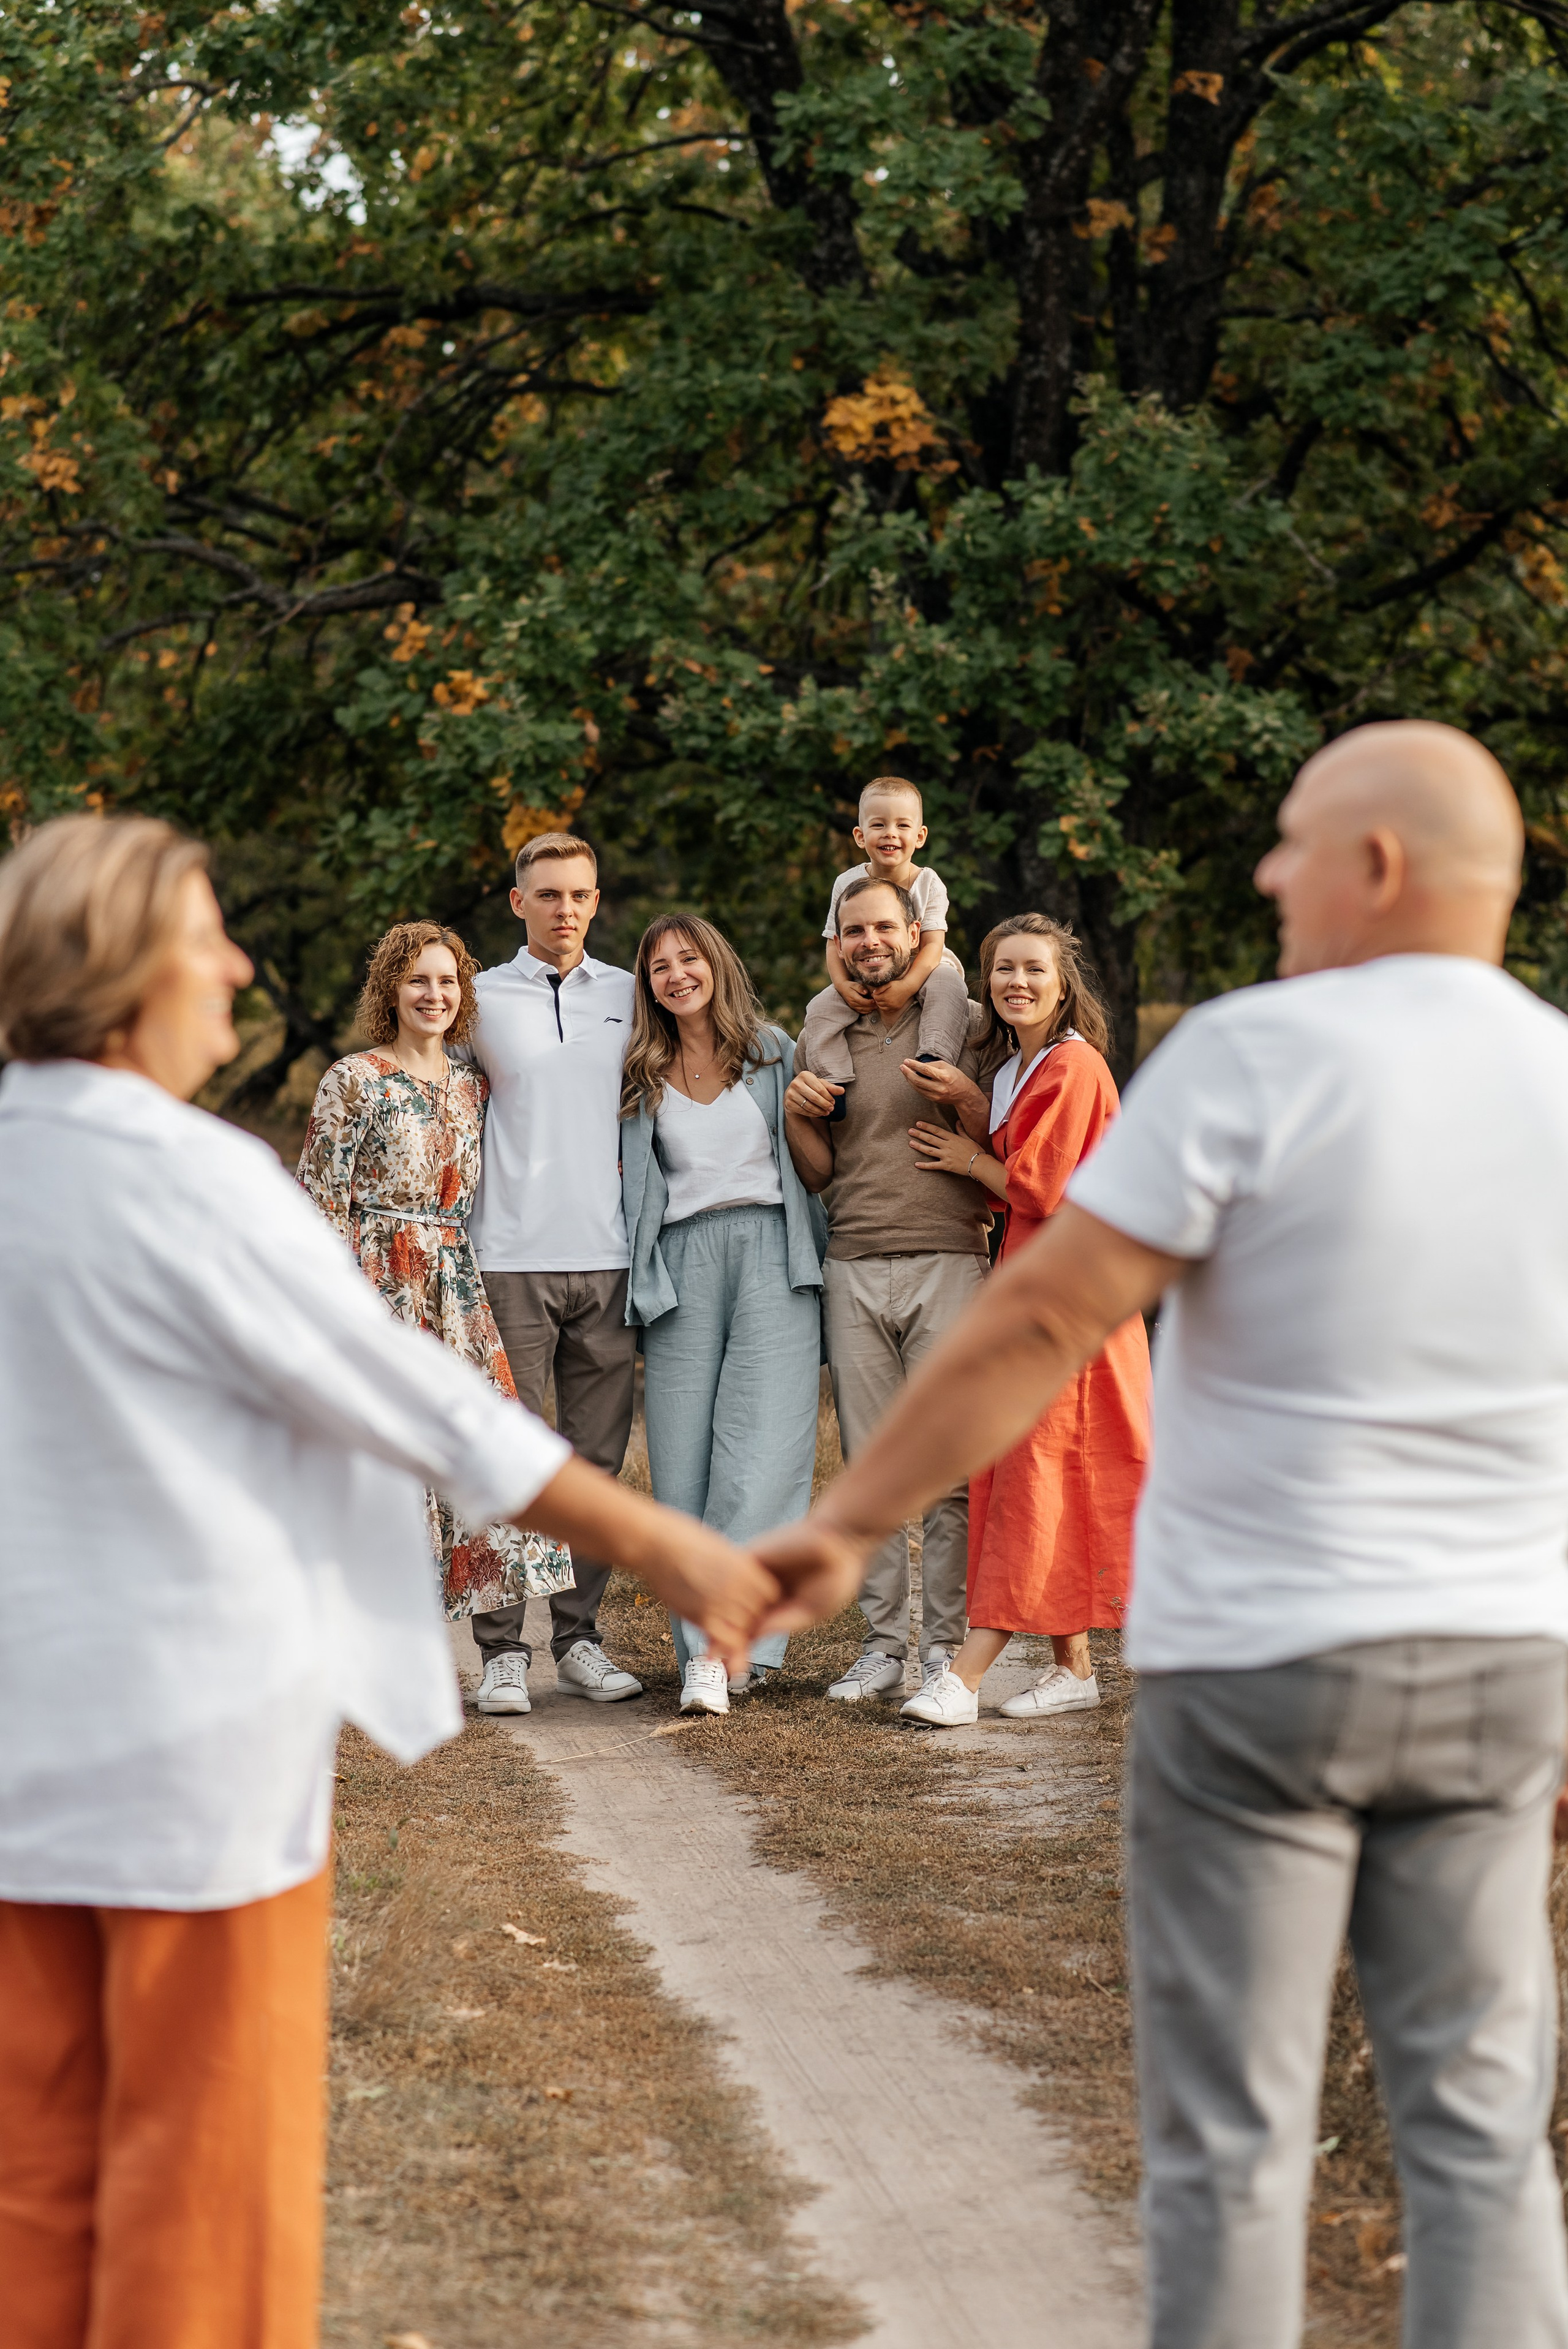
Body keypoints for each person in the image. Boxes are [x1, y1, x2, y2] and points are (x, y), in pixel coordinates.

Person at [760, 722, 1568, 2349]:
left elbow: (1038, 1315)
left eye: (1293, 842)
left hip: (1263, 1669)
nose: (1267, 872)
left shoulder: (1253, 1055)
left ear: (1378, 866)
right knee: (1483, 2135)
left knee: (1230, 2140)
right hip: (1503, 1666)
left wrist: (845, 1521)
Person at [0, 815, 793, 2349]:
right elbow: (431, 1407)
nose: (240, 966)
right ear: (123, 970)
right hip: (186, 1778)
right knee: (200, 2191)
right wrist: (678, 1548)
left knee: (32, 2178)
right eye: (207, 936)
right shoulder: (191, 1178)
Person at [896, 913, 1151, 1727]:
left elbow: (1039, 1186)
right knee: (1039, 1468)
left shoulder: (1073, 1066)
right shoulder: (1020, 1066)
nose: (1017, 982)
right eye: (1003, 968)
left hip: (1072, 1301)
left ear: (1063, 983)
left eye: (1034, 968)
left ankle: (965, 1677)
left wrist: (968, 1158)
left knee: (1032, 1473)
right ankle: (1074, 1668)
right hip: (1039, 1289)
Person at [298, 918, 574, 1625]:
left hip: (455, 1286)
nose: (434, 994)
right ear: (390, 990)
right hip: (374, 1282)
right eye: (417, 979)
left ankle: (446, 1636)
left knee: (467, 1455)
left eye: (447, 981)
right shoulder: (353, 1081)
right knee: (381, 1461)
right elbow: (318, 1204)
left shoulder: (474, 1086)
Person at [784, 873, 993, 1700]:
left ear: (914, 932)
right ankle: (881, 1646)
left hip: (950, 1258)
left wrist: (966, 1097)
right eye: (853, 930)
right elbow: (817, 1173)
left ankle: (943, 1646)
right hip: (855, 1262)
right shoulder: (824, 1032)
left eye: (883, 927)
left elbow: (1004, 1136)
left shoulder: (966, 1021)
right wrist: (797, 1115)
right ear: (837, 942)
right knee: (868, 1467)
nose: (869, 941)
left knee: (946, 1470)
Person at [620, 914, 825, 1714]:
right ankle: (704, 1645)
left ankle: (721, 1648)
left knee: (762, 1453)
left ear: (716, 964)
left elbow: (815, 1161)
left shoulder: (773, 1052)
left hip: (772, 1248)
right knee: (681, 1466)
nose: (677, 974)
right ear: (648, 985)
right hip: (679, 1263)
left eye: (689, 958)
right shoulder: (639, 1073)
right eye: (660, 966)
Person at [462, 831, 643, 1714]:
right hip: (508, 1257)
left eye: (579, 894)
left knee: (595, 1462)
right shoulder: (478, 998)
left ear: (596, 901)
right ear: (518, 902)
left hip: (610, 1257)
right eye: (548, 894)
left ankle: (578, 1640)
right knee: (505, 1456)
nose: (565, 908)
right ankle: (501, 1651)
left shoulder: (632, 994)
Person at [799, 775, 970, 1089]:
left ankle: (934, 1054)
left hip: (925, 966)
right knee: (820, 1008)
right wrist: (843, 985)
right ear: (860, 836)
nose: (890, 833)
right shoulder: (846, 883)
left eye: (902, 825)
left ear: (920, 836)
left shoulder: (929, 883)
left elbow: (933, 946)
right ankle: (833, 1079)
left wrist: (907, 987)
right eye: (878, 825)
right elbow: (833, 942)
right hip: (867, 968)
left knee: (949, 986)